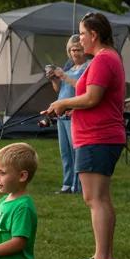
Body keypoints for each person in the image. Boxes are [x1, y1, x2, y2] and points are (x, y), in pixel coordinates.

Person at [44, 11, 126, 259]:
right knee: (100, 198)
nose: (79, 39)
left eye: (82, 34)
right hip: (99, 135)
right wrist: (70, 108)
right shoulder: (107, 57)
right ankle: (104, 255)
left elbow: (92, 98)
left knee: (95, 199)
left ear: (94, 34)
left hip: (97, 137)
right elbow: (95, 101)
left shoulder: (103, 60)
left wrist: (63, 102)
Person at [45, 34, 91, 193]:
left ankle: (78, 185)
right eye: (72, 50)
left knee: (75, 150)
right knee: (65, 151)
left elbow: (82, 87)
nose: (75, 53)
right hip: (62, 115)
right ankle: (67, 184)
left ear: (84, 50)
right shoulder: (69, 68)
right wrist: (54, 79)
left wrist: (63, 76)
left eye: (78, 49)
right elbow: (60, 90)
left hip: (75, 113)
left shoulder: (88, 67)